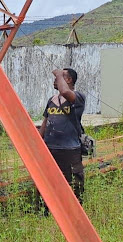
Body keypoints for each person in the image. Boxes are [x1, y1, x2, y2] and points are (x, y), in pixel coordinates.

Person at [39, 68, 86, 203]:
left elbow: (65, 92)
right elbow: (45, 121)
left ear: (69, 80)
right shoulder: (52, 100)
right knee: (49, 180)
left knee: (74, 180)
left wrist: (59, 73)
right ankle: (49, 208)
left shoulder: (78, 97)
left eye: (61, 77)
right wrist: (39, 140)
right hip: (50, 147)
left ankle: (75, 207)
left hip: (69, 149)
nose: (56, 79)